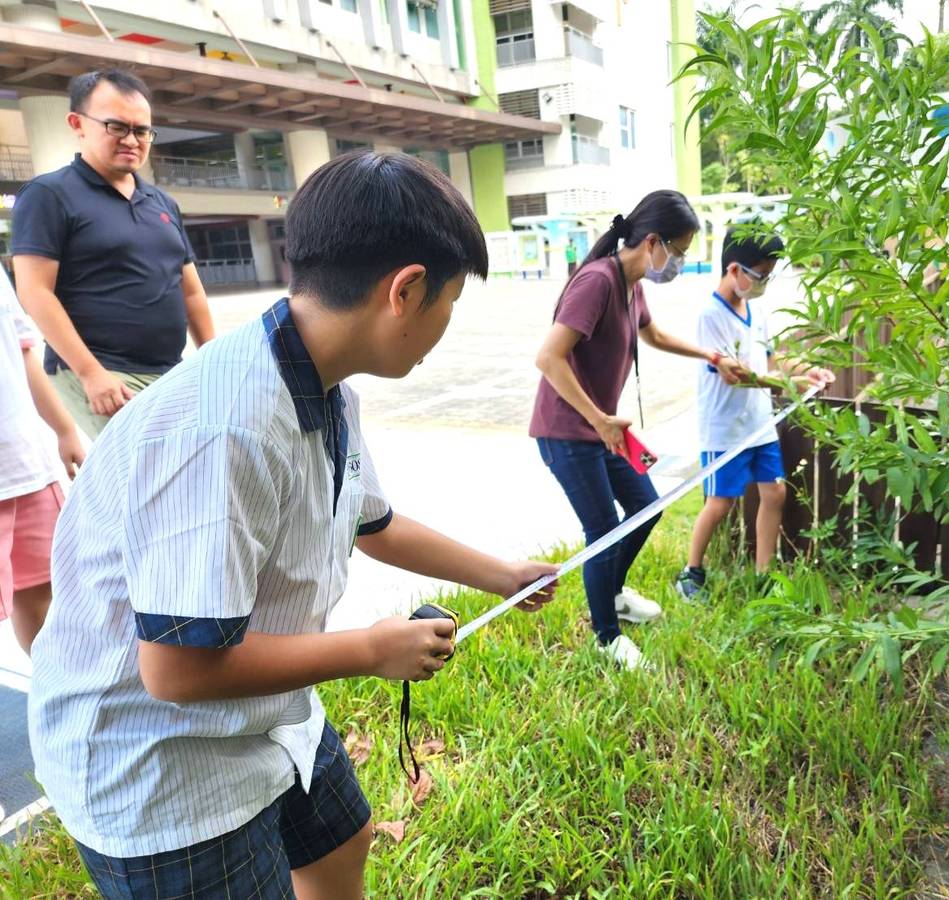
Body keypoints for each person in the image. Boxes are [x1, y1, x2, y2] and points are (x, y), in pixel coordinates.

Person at [28, 151, 557, 898]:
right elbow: (176, 670)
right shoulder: (223, 428)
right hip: (156, 762)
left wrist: (501, 575)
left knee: (342, 843)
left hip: (266, 719)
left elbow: (369, 520)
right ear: (405, 290)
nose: (446, 320)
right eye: (450, 300)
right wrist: (372, 649)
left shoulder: (323, 380)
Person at [530, 190, 745, 671]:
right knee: (603, 529)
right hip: (569, 431)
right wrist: (599, 418)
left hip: (604, 430)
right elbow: (548, 358)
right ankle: (606, 635)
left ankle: (615, 593)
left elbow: (654, 335)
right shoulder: (597, 281)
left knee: (647, 506)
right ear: (653, 242)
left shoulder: (633, 284)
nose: (679, 262)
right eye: (680, 251)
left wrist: (712, 357)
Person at [12, 68, 214, 438]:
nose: (132, 140)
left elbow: (190, 291)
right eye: (117, 127)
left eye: (142, 131)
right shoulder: (49, 195)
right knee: (150, 479)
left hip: (171, 369)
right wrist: (91, 374)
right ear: (78, 123)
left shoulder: (161, 202)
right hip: (102, 372)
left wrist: (214, 358)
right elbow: (34, 291)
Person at [675, 229, 835, 602]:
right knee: (720, 504)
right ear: (735, 269)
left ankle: (764, 573)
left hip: (760, 426)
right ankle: (692, 571)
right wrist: (793, 380)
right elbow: (741, 376)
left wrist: (807, 369)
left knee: (775, 493)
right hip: (725, 430)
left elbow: (773, 356)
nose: (764, 283)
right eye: (761, 275)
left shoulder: (755, 310)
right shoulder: (710, 317)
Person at [0, 269, 84, 655]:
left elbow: (22, 348)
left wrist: (64, 429)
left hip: (23, 463)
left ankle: (54, 697)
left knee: (47, 596)